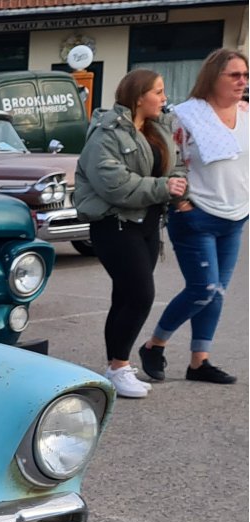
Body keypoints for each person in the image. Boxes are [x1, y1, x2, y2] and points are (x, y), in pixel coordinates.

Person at [71, 70, 187, 399]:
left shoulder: (157, 127)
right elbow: (116, 185)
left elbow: (176, 165)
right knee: (140, 296)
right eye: (159, 92)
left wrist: (178, 185)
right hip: (115, 224)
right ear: (139, 97)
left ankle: (115, 367)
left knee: (124, 296)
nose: (164, 99)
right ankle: (120, 367)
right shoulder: (106, 133)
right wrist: (165, 187)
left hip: (148, 223)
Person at [137, 48, 248, 386]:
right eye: (235, 75)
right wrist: (181, 202)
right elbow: (168, 159)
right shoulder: (185, 116)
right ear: (213, 76)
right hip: (196, 215)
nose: (242, 81)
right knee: (204, 288)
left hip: (236, 215)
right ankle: (154, 345)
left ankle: (199, 362)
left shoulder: (246, 113)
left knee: (218, 293)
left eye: (245, 75)